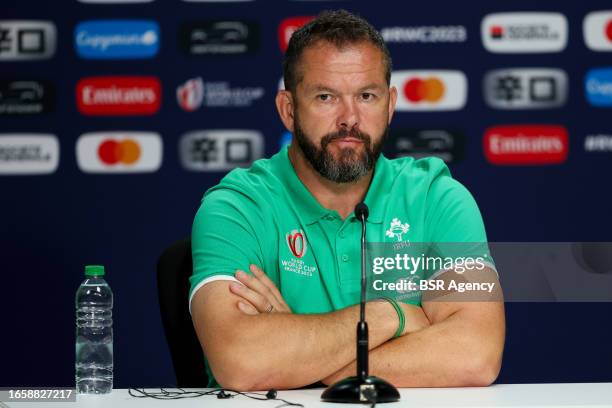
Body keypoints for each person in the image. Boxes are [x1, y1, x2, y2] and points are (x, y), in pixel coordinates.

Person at [189, 9, 505, 391]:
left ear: (389, 105)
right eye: (325, 97)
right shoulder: (237, 207)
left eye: (366, 96)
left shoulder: (437, 198)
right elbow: (241, 361)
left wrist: (310, 359)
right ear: (288, 110)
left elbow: (476, 354)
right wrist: (391, 316)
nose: (349, 118)